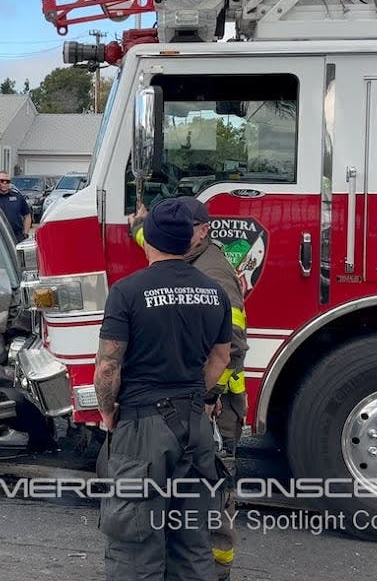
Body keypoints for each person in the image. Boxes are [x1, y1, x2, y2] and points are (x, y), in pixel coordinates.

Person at [94, 198, 232, 581]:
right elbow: (222, 357)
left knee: (134, 541)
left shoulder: (127, 291)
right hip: (195, 426)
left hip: (143, 429)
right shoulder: (214, 291)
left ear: (150, 239)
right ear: (188, 240)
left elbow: (107, 366)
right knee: (192, 540)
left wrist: (107, 412)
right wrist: (192, 394)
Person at [134, 197, 249, 580]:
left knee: (212, 500)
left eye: (187, 227)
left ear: (203, 231)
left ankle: (217, 571)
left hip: (216, 405)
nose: (177, 234)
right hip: (190, 403)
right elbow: (154, 240)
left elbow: (232, 347)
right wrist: (138, 225)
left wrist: (210, 396)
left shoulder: (214, 274)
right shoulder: (186, 254)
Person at [0, 170, 32, 242]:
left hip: (16, 235)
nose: (5, 183)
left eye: (7, 181)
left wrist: (25, 234)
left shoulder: (18, 196)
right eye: (2, 181)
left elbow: (27, 216)